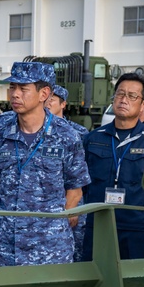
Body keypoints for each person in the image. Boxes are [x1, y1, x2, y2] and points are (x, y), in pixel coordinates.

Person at [0, 61, 90, 287]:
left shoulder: (66, 135)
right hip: (5, 249)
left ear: (44, 94)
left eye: (23, 88)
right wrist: (11, 218)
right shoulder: (0, 129)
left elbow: (75, 189)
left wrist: (51, 226)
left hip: (50, 251)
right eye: (12, 87)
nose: (15, 94)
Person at [77, 72, 144, 287]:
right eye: (120, 94)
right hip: (98, 226)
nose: (124, 100)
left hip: (136, 228)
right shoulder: (94, 139)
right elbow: (79, 184)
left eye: (132, 96)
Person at [46, 84, 91, 262]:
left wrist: (74, 207)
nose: (48, 103)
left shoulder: (78, 132)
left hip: (74, 198)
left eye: (53, 100)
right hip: (49, 201)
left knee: (76, 251)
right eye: (46, 99)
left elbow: (81, 173)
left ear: (63, 104)